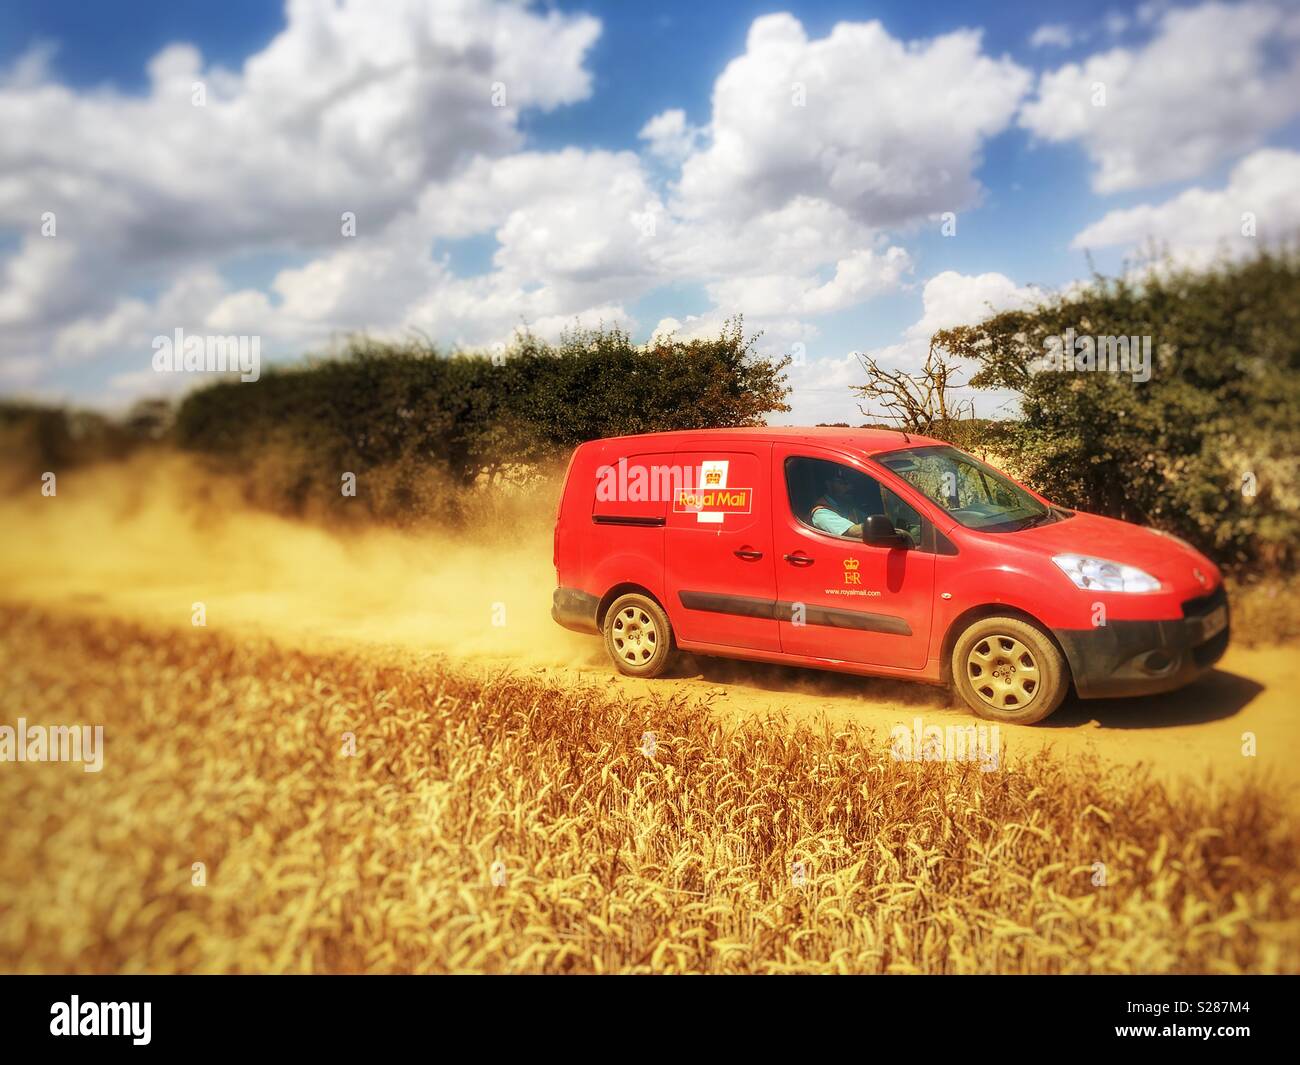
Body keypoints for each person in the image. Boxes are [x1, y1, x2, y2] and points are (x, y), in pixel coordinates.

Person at [810, 466, 868, 538]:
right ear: (829, 485)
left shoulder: (847, 507)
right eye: (843, 483)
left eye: (851, 483)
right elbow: (854, 532)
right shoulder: (821, 513)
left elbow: (867, 519)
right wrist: (880, 526)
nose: (850, 487)